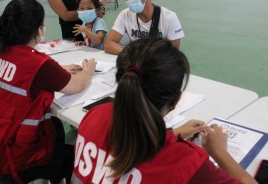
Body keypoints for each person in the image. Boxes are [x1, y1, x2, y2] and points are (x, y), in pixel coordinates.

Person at [72, 38, 256, 183]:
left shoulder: (94, 115)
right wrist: (220, 152)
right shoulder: (185, 162)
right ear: (175, 99)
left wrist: (172, 134)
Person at [0, 0, 97, 183]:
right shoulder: (38, 64)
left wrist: (59, 71)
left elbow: (23, 76)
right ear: (38, 29)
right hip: (9, 161)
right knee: (78, 157)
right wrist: (89, 70)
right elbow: (78, 85)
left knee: (55, 127)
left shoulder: (0, 52)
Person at [104, 0, 184, 55]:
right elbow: (108, 44)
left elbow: (173, 55)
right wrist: (132, 54)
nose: (129, 1)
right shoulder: (125, 15)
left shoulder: (169, 18)